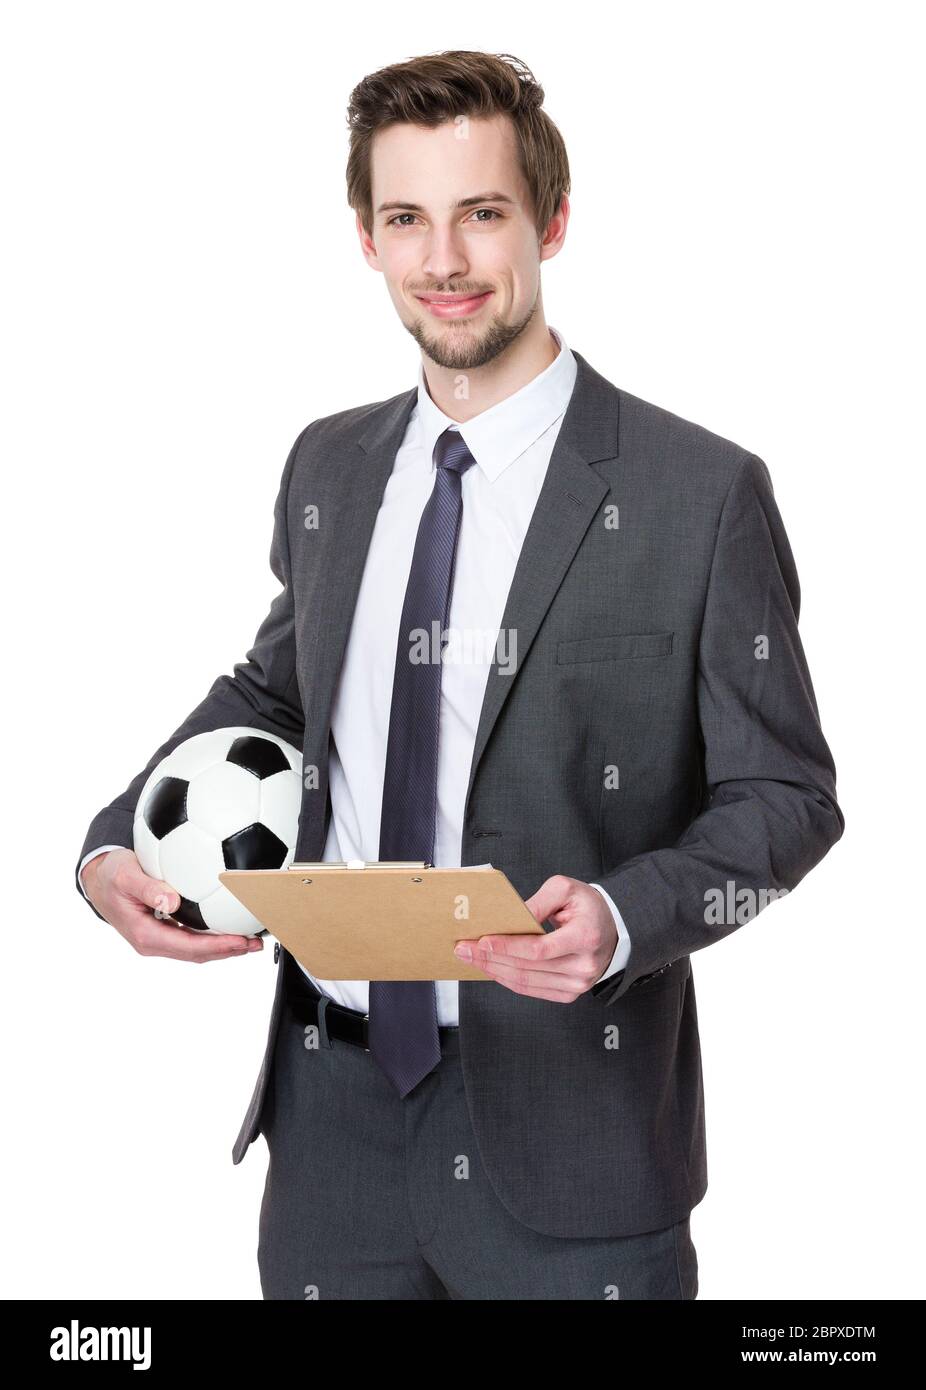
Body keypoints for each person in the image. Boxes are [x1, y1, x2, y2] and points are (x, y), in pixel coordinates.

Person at [76, 49, 844, 1300]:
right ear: (366, 240)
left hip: (571, 1132)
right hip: (331, 1135)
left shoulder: (696, 496)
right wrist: (116, 841)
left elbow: (788, 797)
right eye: (406, 220)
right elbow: (275, 694)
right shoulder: (327, 469)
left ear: (548, 219)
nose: (443, 259)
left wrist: (621, 920)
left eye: (480, 214)